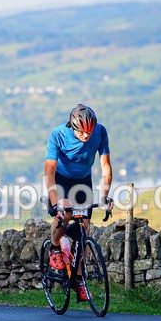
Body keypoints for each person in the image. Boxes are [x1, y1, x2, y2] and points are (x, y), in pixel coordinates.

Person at [44, 104, 113, 301]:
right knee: (65, 212)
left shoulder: (100, 132)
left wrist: (105, 196)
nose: (86, 136)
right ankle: (55, 246)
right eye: (82, 132)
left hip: (83, 181)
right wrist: (56, 202)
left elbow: (105, 166)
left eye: (89, 132)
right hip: (61, 179)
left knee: (85, 232)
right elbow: (49, 171)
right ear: (73, 127)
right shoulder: (57, 134)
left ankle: (80, 281)